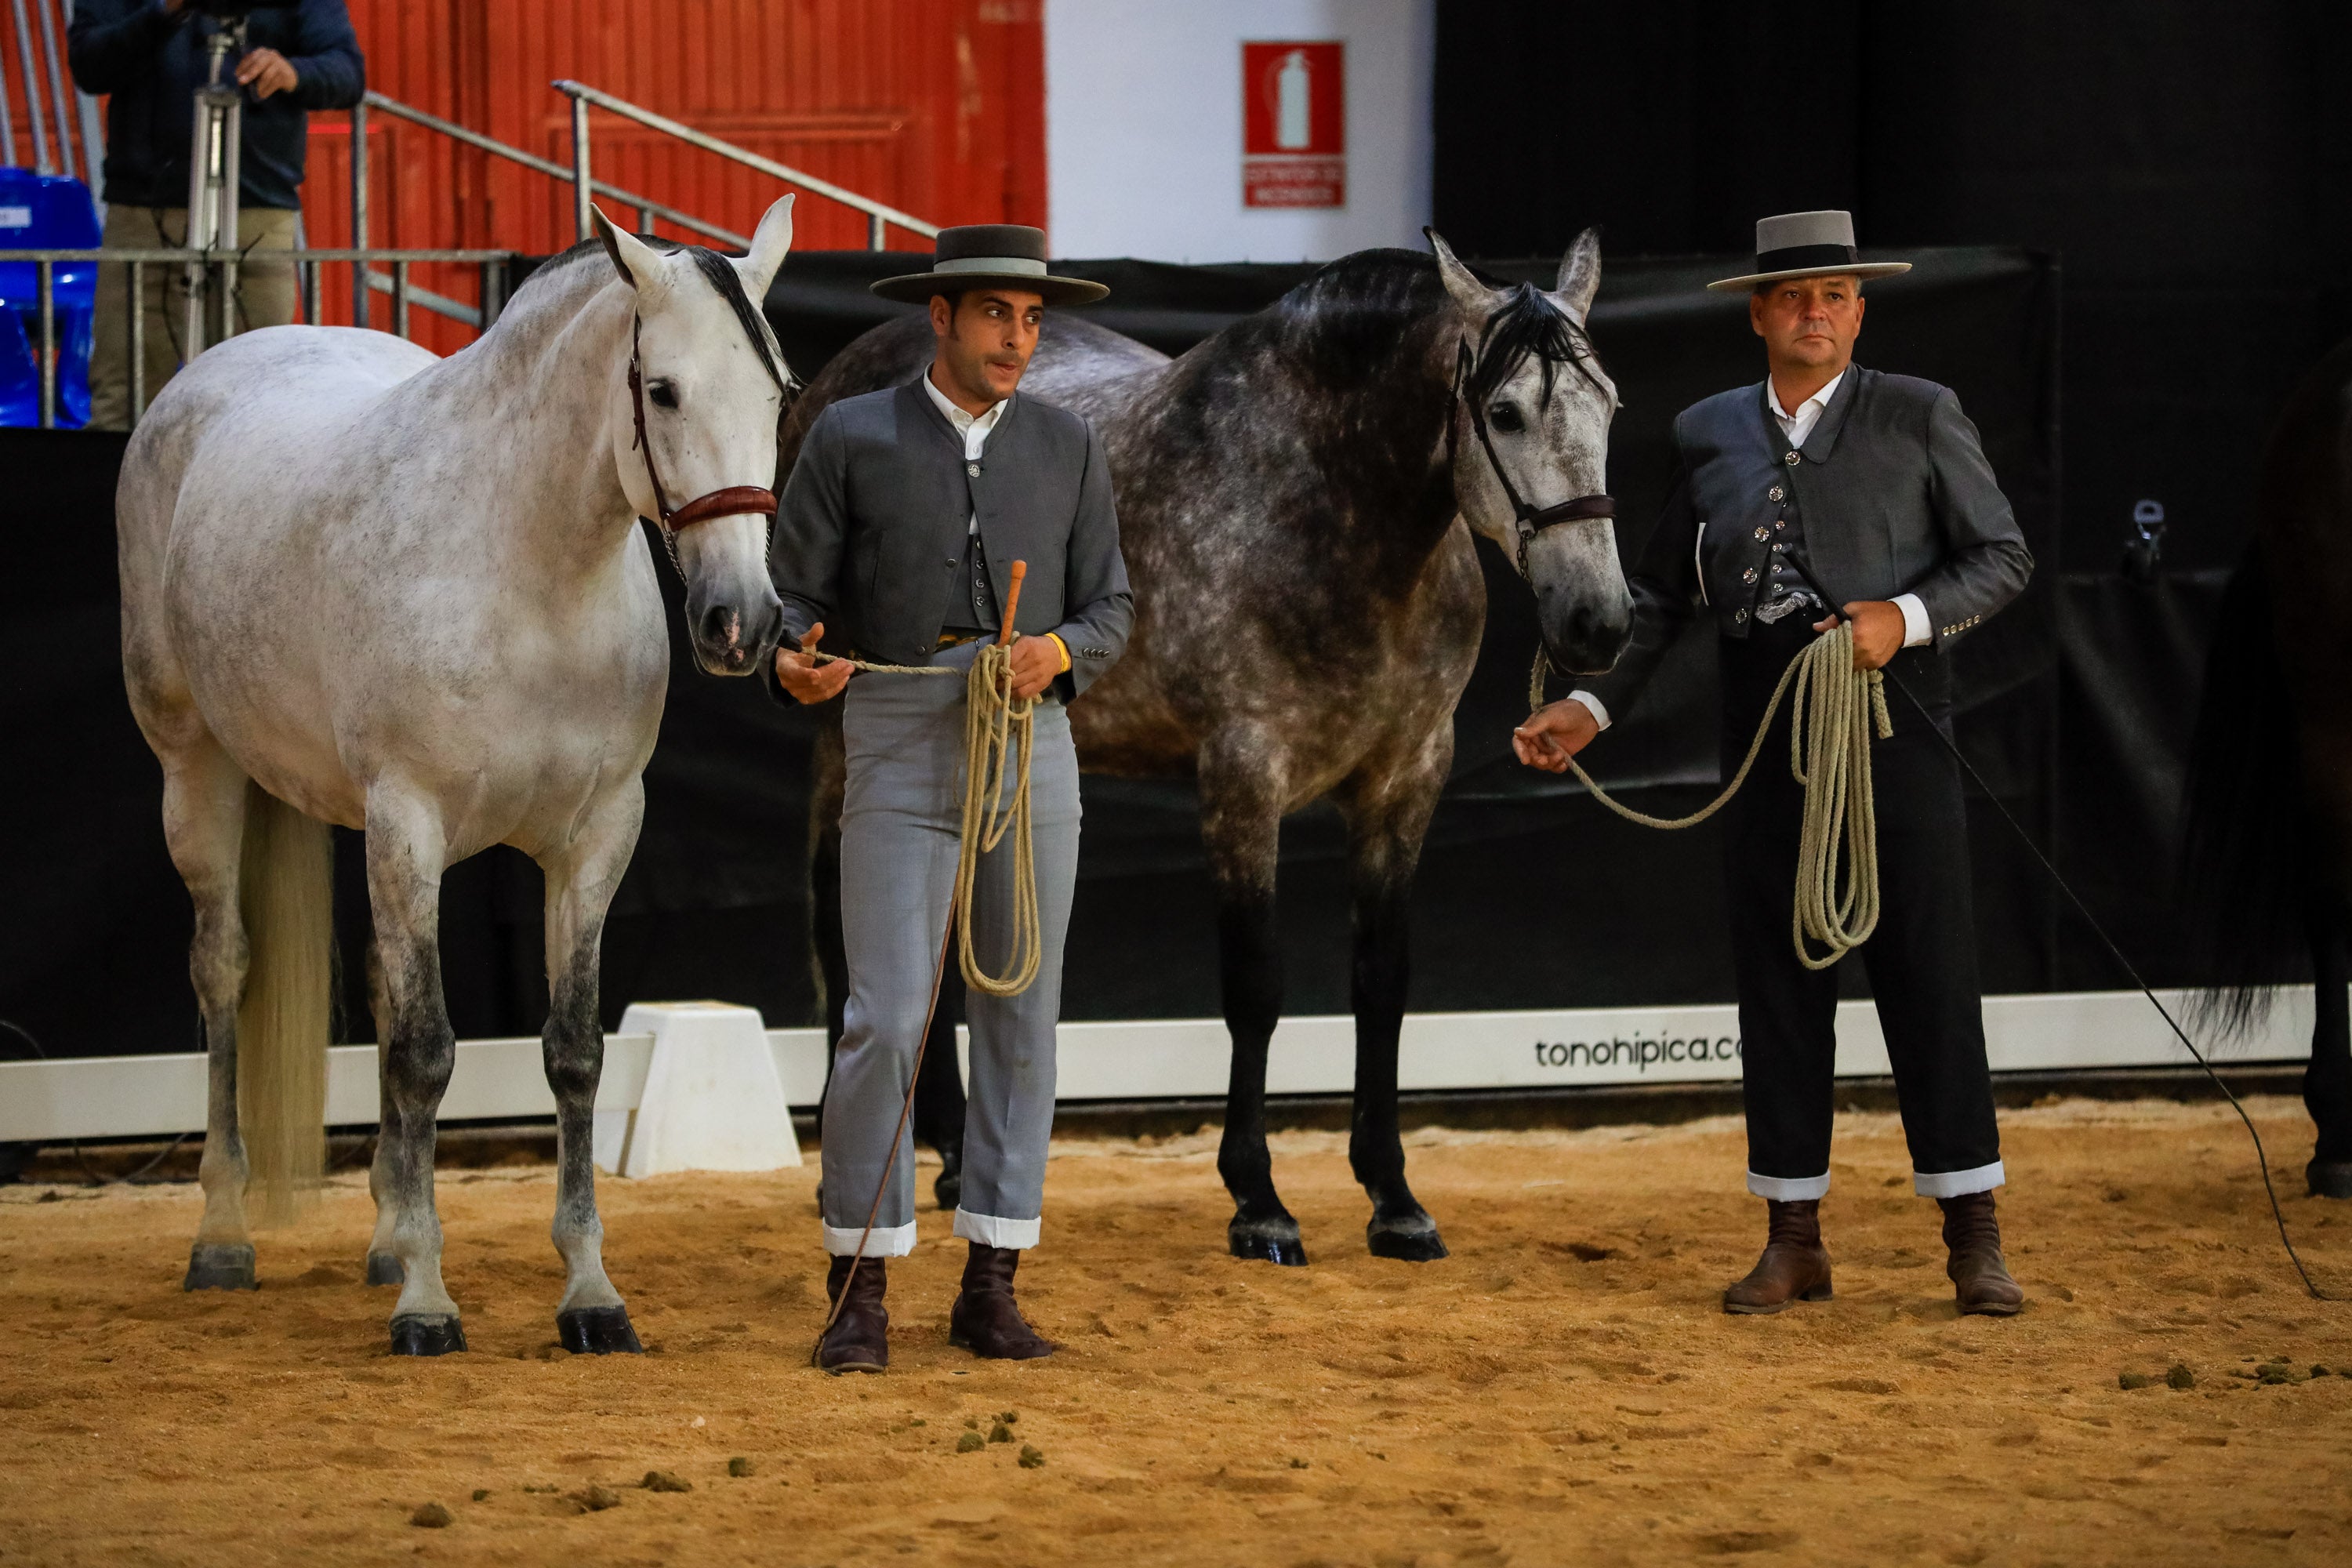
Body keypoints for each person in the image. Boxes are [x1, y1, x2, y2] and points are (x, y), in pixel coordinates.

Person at [1513, 210, 2034, 1317]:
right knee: (1781, 991)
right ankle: (1793, 1237)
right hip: (1764, 748)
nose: (1816, 312)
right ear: (1758, 312)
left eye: (1836, 294)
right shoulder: (1707, 432)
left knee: (1929, 985)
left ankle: (1972, 1236)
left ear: (1860, 309)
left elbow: (2003, 557)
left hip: (1895, 736)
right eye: (1794, 296)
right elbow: (1658, 597)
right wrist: (1591, 708)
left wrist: (1904, 616)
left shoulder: (1919, 414)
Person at [768, 224, 1130, 1372]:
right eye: (993, 317)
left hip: (1031, 744)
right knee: (885, 1018)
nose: (1015, 339)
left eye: (1029, 320)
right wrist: (795, 656)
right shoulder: (850, 434)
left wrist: (1059, 652)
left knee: (1022, 1015)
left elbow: (1112, 610)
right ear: (941, 318)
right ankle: (858, 1284)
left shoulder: (1070, 446)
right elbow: (790, 596)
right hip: (895, 732)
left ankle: (993, 1280)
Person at [68, 0, 365, 430]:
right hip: (142, 213)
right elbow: (90, 65)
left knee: (257, 400)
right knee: (123, 402)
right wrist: (162, 12)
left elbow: (347, 71)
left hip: (255, 215)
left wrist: (293, 72)